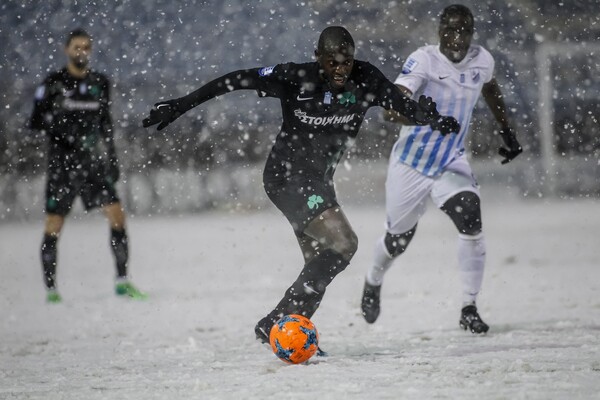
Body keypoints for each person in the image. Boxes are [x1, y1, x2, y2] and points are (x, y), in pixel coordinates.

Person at [142, 26, 459, 347]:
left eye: (346, 62)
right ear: (317, 58)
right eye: (332, 62)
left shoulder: (366, 78)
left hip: (319, 182)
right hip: (285, 177)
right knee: (344, 243)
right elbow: (235, 79)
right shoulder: (294, 77)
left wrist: (427, 117)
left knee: (319, 265)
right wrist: (183, 104)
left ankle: (287, 334)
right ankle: (276, 321)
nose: (340, 69)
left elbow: (400, 104)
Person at [360, 4, 523, 333]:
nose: (456, 37)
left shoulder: (483, 60)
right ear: (439, 32)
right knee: (398, 241)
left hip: (451, 160)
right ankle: (373, 279)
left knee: (470, 216)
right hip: (411, 164)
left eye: (463, 30)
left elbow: (489, 87)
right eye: (449, 29)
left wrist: (507, 131)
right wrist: (428, 118)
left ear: (472, 32)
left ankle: (469, 306)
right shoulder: (424, 60)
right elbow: (391, 109)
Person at [30, 28, 146, 303]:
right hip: (63, 166)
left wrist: (112, 159)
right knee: (54, 224)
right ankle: (51, 291)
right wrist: (61, 131)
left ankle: (122, 282)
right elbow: (35, 120)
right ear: (66, 49)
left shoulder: (100, 83)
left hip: (93, 165)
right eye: (76, 47)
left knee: (117, 216)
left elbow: (106, 124)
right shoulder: (54, 83)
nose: (81, 52)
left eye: (86, 47)